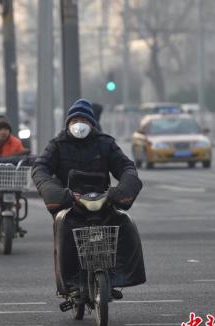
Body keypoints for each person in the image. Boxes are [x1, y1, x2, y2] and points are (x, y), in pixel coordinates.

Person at [32, 98, 145, 300]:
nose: (79, 124)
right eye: (75, 119)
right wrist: (55, 191)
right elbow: (41, 168)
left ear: (92, 123)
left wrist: (121, 189)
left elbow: (126, 166)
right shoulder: (57, 145)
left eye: (83, 119)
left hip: (102, 201)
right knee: (65, 229)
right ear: (68, 123)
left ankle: (117, 275)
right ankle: (69, 282)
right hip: (71, 202)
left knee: (125, 225)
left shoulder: (106, 143)